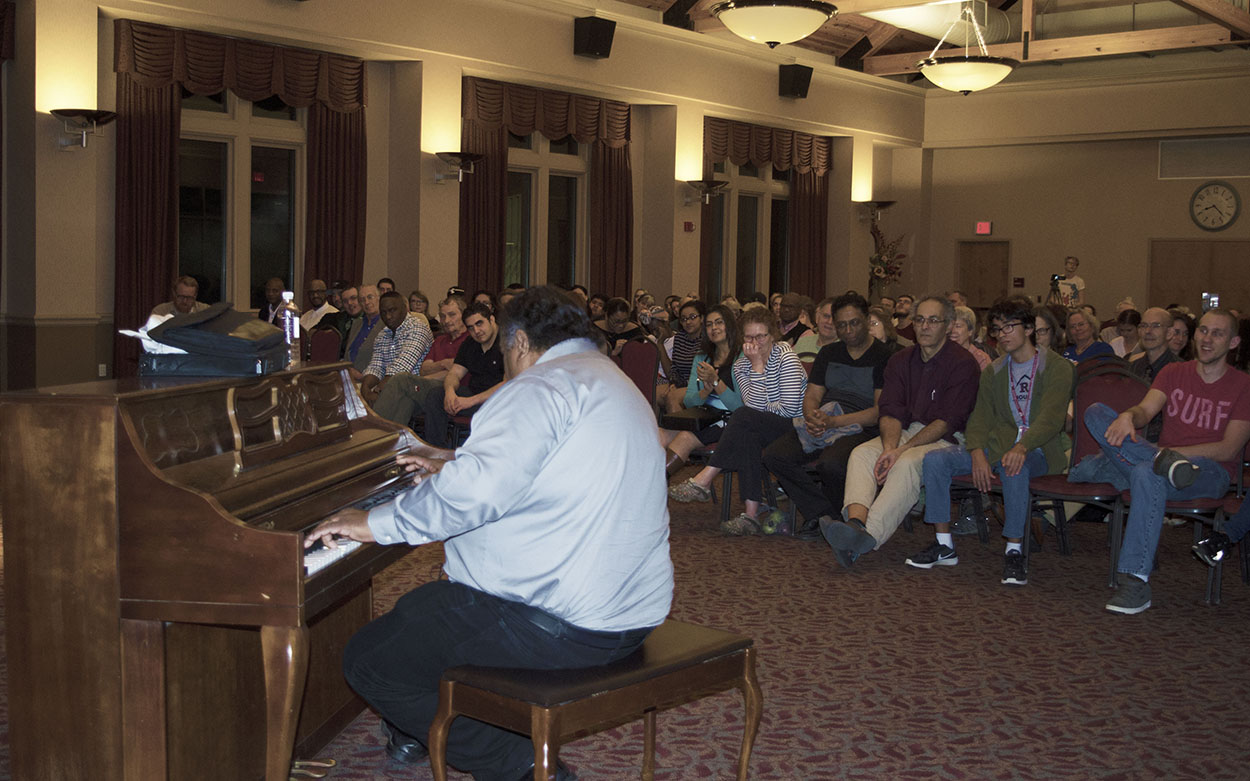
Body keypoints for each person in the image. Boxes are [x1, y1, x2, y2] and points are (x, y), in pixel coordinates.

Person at [305, 286, 671, 781]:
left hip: (564, 624)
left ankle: (519, 763)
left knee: (371, 656)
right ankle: (421, 730)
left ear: (518, 342)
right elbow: (556, 463)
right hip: (633, 609)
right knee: (423, 611)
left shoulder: (538, 387)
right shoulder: (611, 379)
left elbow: (471, 498)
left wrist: (370, 522)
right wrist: (455, 459)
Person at [1079, 309, 1250, 614]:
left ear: (1234, 341)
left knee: (1146, 470)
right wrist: (1128, 416)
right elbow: (1146, 410)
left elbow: (1228, 449)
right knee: (1095, 413)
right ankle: (1160, 462)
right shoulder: (1173, 373)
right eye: (1203, 331)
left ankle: (1135, 582)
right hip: (1159, 462)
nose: (1207, 339)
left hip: (1209, 472)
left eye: (1218, 333)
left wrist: (1174, 456)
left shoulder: (1243, 385)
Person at [910, 297, 1074, 584]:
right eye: (998, 329)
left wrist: (1021, 447)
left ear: (1028, 328)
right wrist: (976, 452)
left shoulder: (1057, 367)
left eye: (1010, 327)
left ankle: (1014, 549)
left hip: (1038, 449)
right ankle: (944, 544)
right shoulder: (994, 371)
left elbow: (1051, 419)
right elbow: (980, 420)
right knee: (935, 459)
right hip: (997, 446)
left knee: (1014, 466)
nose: (1003, 334)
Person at [819, 296, 981, 568]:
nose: (925, 327)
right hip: (904, 432)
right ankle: (855, 523)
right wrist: (889, 448)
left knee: (906, 464)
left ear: (948, 325)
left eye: (933, 320)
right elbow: (890, 410)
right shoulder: (901, 360)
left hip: (948, 439)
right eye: (919, 320)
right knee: (861, 454)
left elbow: (947, 421)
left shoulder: (963, 364)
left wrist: (900, 452)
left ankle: (867, 536)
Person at [669, 307, 807, 535]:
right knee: (747, 432)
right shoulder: (742, 365)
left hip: (793, 428)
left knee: (743, 419)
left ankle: (704, 479)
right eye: (749, 337)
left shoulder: (786, 358)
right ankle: (751, 515)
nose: (755, 343)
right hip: (757, 425)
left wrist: (760, 369)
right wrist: (756, 367)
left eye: (760, 336)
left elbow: (789, 410)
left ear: (772, 335)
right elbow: (752, 409)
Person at [763, 293, 891, 538]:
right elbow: (812, 394)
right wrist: (812, 417)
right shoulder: (829, 353)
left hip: (862, 427)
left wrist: (833, 422)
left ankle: (830, 519)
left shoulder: (884, 356)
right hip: (826, 419)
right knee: (775, 455)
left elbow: (878, 412)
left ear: (866, 320)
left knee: (831, 463)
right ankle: (823, 514)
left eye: (854, 322)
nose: (848, 329)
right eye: (841, 324)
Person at [658, 304, 744, 477]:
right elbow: (689, 401)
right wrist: (704, 392)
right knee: (657, 435)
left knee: (685, 437)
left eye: (719, 323)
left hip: (731, 421)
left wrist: (715, 382)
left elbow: (740, 407)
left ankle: (652, 483)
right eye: (710, 324)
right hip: (704, 417)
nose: (714, 328)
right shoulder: (701, 357)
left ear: (730, 324)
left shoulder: (742, 358)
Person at [411, 302, 506, 446]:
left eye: (480, 324)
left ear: (492, 320)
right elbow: (455, 373)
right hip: (474, 393)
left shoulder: (508, 342)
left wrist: (471, 401)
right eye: (471, 328)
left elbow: (508, 383)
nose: (477, 331)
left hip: (500, 400)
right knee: (436, 395)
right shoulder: (470, 343)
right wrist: (450, 392)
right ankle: (436, 451)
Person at [360, 292, 434, 407]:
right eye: (384, 312)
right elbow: (376, 366)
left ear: (405, 309)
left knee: (387, 403)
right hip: (390, 389)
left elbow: (402, 367)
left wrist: (377, 391)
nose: (388, 316)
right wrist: (365, 389)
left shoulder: (418, 328)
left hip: (415, 390)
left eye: (392, 310)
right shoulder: (382, 335)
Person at [661, 299, 705, 414]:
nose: (688, 322)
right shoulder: (680, 338)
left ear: (702, 318)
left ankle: (679, 431)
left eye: (692, 317)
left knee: (672, 398)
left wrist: (680, 386)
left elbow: (702, 372)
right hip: (679, 383)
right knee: (653, 393)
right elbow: (674, 367)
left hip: (699, 385)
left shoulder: (707, 340)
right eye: (684, 319)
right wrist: (674, 383)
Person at [419, 296, 469, 382]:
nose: (446, 321)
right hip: (430, 387)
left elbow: (457, 373)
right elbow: (424, 370)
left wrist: (421, 381)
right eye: (442, 316)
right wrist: (444, 363)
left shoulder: (471, 340)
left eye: (452, 315)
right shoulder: (439, 340)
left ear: (464, 315)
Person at [346, 285, 383, 378]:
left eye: (370, 297)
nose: (366, 302)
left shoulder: (386, 325)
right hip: (349, 377)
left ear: (379, 298)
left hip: (371, 381)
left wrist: (362, 377)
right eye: (362, 300)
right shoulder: (357, 324)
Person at [794, 297, 840, 362]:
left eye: (835, 318)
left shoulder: (844, 350)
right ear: (817, 317)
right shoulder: (803, 342)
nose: (830, 322)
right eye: (826, 316)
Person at [950, 305, 991, 371]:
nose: (953, 331)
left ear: (970, 331)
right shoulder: (942, 356)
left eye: (958, 326)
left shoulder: (980, 359)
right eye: (950, 326)